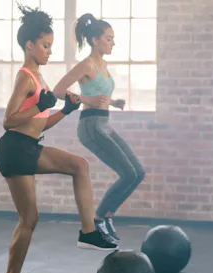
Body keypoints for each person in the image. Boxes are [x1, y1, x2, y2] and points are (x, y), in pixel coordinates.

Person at [0, 4, 118, 273]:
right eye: (46, 46)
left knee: (79, 166)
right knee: (30, 218)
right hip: (14, 149)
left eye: (51, 46)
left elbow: (40, 122)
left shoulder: (40, 77)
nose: (50, 51)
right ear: (30, 45)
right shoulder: (26, 76)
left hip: (27, 146)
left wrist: (65, 109)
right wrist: (41, 104)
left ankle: (87, 232)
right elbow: (8, 120)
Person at [53, 13, 146, 243]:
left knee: (138, 173)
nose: (112, 42)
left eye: (113, 38)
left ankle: (106, 215)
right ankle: (98, 218)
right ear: (95, 40)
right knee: (127, 174)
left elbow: (100, 94)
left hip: (104, 123)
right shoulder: (86, 65)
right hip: (90, 126)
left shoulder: (103, 65)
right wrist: (87, 100)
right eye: (108, 38)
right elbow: (57, 90)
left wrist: (114, 102)